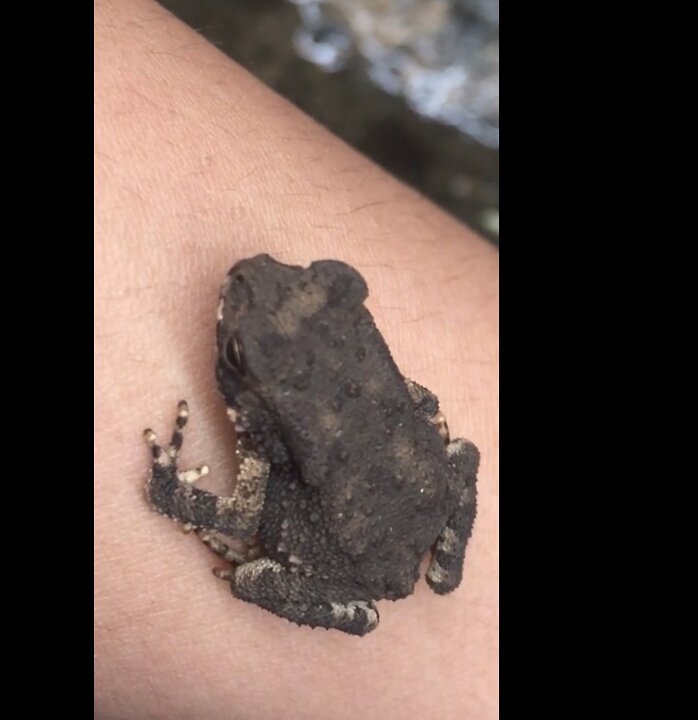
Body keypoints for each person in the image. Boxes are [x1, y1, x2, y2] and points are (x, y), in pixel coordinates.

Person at [93, 2, 499, 717]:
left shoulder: (262, 439)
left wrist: (166, 486)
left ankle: (391, 588)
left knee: (253, 574)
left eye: (238, 350)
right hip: (409, 494)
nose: (260, 271)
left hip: (344, 556)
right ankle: (443, 567)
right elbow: (426, 409)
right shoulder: (323, 411)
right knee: (454, 445)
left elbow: (239, 514)